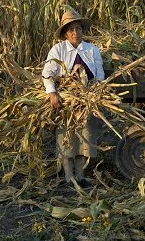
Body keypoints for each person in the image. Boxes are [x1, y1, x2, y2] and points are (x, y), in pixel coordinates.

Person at [42, 10, 105, 188]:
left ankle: (81, 175)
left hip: (87, 100)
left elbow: (99, 76)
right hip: (66, 100)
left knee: (84, 137)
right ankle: (69, 177)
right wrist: (52, 93)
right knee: (66, 136)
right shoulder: (58, 50)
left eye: (78, 28)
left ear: (83, 30)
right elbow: (47, 74)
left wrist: (95, 95)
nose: (75, 32)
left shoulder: (92, 50)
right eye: (71, 30)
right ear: (65, 34)